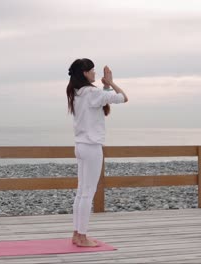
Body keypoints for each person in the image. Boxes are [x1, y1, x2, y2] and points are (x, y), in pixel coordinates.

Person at [66, 58, 128, 247]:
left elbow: (102, 101)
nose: (94, 73)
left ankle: (77, 234)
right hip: (92, 147)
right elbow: (123, 97)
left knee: (81, 192)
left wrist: (105, 88)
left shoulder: (77, 93)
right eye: (92, 70)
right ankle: (83, 236)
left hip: (80, 146)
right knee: (88, 193)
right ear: (85, 73)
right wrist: (110, 83)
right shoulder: (92, 93)